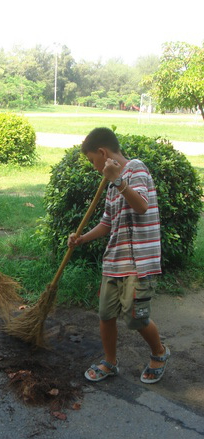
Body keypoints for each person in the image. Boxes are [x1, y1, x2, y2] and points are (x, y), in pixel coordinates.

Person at [68, 127, 170, 384]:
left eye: (93, 160)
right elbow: (107, 222)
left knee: (136, 317)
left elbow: (142, 205)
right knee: (105, 315)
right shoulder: (110, 183)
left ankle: (159, 352)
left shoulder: (136, 169)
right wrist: (82, 238)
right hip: (114, 261)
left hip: (139, 262)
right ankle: (110, 361)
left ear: (102, 152)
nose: (94, 167)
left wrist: (118, 180)